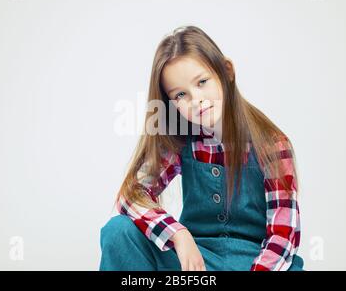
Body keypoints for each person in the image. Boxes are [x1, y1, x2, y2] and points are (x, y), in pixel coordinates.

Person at [99, 25, 305, 271]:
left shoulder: (272, 145)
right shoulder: (182, 140)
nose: (196, 100)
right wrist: (178, 234)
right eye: (180, 95)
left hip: (254, 261)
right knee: (118, 231)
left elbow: (283, 238)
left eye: (202, 82)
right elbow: (131, 194)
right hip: (196, 262)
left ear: (226, 72)